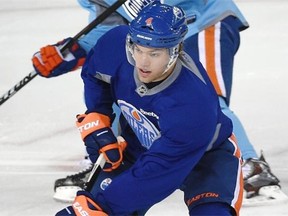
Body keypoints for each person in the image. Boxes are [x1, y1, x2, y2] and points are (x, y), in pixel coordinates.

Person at [32, 0, 285, 205]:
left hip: (203, 19)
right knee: (129, 95)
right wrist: (73, 50)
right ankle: (112, 161)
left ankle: (249, 166)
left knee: (207, 105)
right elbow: (113, 25)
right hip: (147, 45)